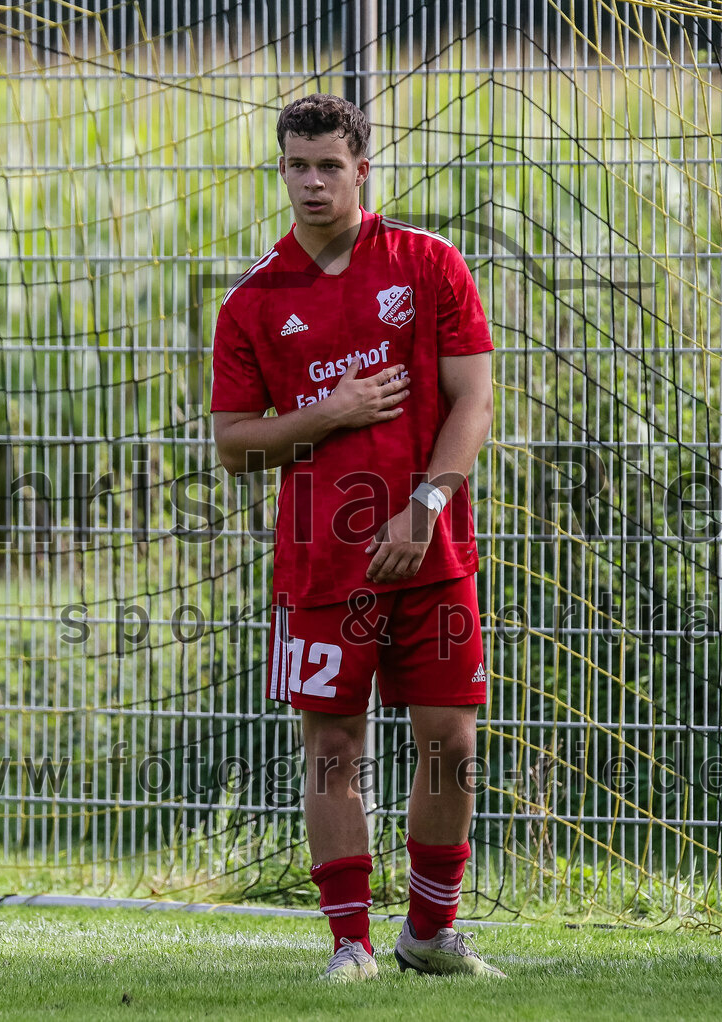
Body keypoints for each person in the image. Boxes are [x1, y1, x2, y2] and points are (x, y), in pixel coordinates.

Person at [211, 93, 503, 981]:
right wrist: (327, 412)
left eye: (328, 165)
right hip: (322, 561)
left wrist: (426, 507)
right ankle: (351, 945)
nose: (310, 182)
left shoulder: (428, 265)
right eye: (296, 165)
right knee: (332, 748)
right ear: (282, 168)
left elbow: (474, 401)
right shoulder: (253, 303)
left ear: (362, 169)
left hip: (430, 549)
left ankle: (430, 931)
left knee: (450, 742)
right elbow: (233, 445)